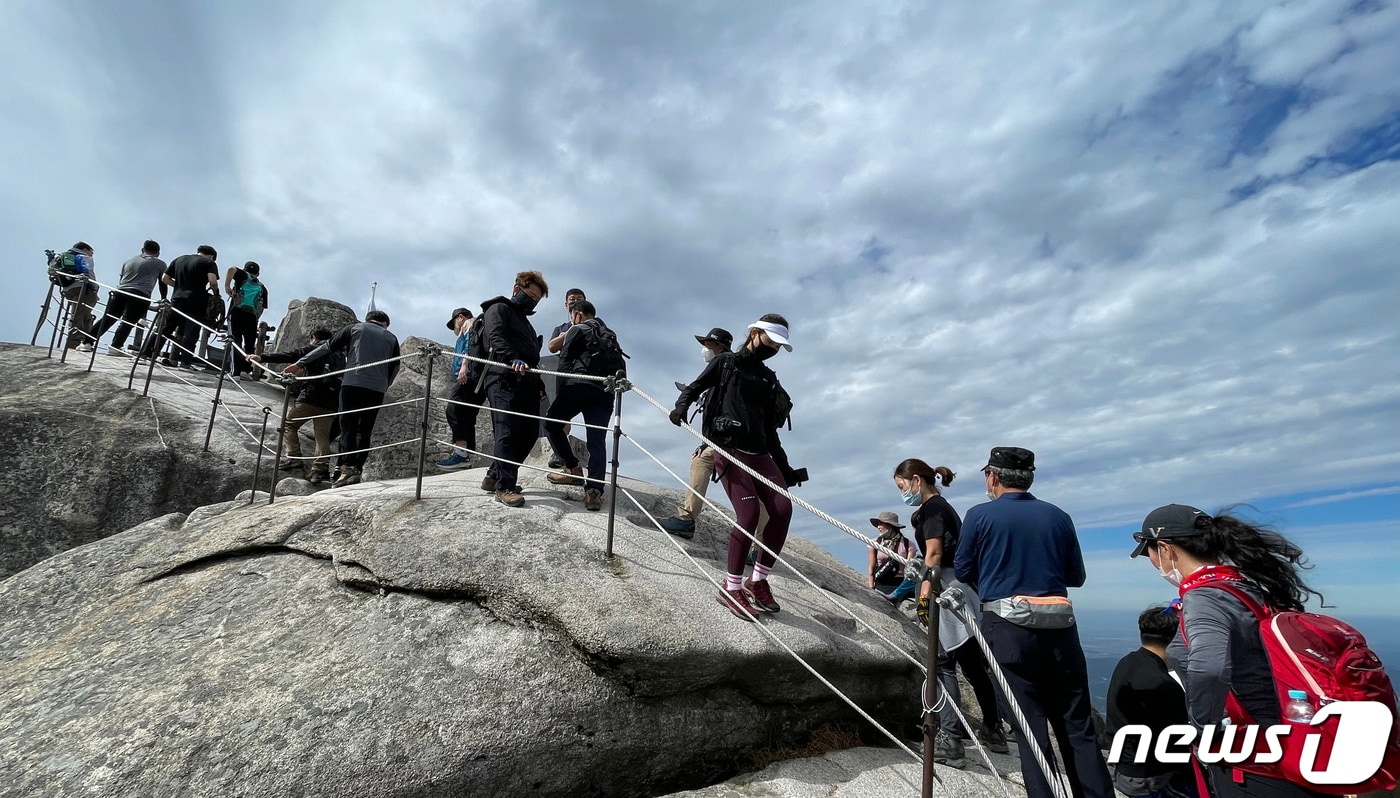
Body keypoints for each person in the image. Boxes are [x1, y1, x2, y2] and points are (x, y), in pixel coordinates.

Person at [1131, 505, 1330, 798]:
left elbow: (1209, 668)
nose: (1152, 561)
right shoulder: (1244, 585)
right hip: (1287, 737)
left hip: (1250, 755)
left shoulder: (1204, 596)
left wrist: (1201, 731)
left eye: (1150, 552)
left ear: (1165, 548)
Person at [955, 447, 1112, 798]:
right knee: (1078, 727)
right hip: (1061, 631)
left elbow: (964, 570)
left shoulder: (979, 516)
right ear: (1030, 478)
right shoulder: (1059, 516)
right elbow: (1077, 576)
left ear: (992, 476)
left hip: (1007, 630)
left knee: (1030, 731)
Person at [670, 314, 804, 621]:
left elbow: (770, 430)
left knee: (783, 510)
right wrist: (681, 407)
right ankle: (731, 588)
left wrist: (785, 468)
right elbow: (694, 387)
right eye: (772, 342)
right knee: (749, 515)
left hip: (760, 451)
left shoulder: (768, 378)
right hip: (727, 447)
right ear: (755, 333)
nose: (774, 349)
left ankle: (757, 581)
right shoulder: (726, 363)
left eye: (780, 346)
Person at [895, 458, 1009, 766]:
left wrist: (923, 594)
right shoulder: (943, 507)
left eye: (903, 487)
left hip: (945, 587)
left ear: (917, 480)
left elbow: (934, 552)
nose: (903, 493)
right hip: (965, 589)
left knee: (942, 663)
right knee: (972, 664)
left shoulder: (931, 510)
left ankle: (950, 739)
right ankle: (993, 730)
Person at [284, 310, 400, 488]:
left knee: (348, 426)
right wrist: (384, 385)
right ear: (386, 324)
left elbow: (326, 347)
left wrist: (300, 364)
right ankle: (357, 469)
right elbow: (395, 367)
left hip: (352, 383)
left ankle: (346, 468)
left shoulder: (354, 328)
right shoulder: (392, 338)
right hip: (376, 389)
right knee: (365, 429)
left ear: (367, 320)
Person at [1105, 603, 1198, 798]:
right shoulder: (1162, 684)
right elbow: (1179, 740)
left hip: (1125, 769)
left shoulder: (1128, 662)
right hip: (1148, 779)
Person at [478, 271, 549, 508]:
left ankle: (494, 474)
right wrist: (511, 358)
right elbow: (495, 337)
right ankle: (505, 486)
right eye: (530, 295)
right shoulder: (498, 308)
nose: (532, 301)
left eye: (536, 299)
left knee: (529, 433)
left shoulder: (526, 323)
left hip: (527, 381)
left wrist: (539, 384)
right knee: (506, 430)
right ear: (517, 289)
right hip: (503, 378)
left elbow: (534, 358)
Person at [659, 327, 737, 539]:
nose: (704, 350)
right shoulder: (729, 371)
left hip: (730, 441)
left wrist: (681, 406)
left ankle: (685, 520)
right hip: (728, 440)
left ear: (718, 346)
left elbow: (695, 386)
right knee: (746, 489)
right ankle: (757, 545)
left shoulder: (723, 362)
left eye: (707, 345)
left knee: (703, 463)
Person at [542, 300, 619, 511]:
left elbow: (564, 363)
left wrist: (559, 397)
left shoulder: (577, 329)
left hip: (579, 386)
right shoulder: (609, 333)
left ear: (577, 315)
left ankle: (573, 469)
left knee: (551, 424)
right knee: (597, 441)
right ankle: (593, 492)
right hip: (605, 392)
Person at [250, 327, 344, 485]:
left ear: (314, 338)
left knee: (289, 424)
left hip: (309, 397)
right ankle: (319, 470)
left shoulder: (314, 349)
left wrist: (262, 357)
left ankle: (294, 457)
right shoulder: (340, 355)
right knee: (323, 436)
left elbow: (290, 356)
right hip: (331, 402)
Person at [143, 245, 219, 372]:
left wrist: (178, 286)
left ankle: (147, 353)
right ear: (211, 256)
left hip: (177, 299)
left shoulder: (179, 259)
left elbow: (164, 278)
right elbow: (213, 281)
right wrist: (216, 292)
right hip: (197, 301)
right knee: (191, 333)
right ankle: (185, 363)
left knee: (165, 328)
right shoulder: (209, 263)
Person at [93, 240, 166, 354]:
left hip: (120, 291)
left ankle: (87, 342)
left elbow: (122, 278)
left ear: (142, 250)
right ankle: (115, 347)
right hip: (140, 294)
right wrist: (164, 298)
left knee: (108, 318)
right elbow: (163, 283)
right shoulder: (160, 264)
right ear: (158, 253)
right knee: (127, 322)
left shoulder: (128, 260)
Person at [436, 307, 481, 471]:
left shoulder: (470, 323)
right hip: (474, 376)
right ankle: (464, 453)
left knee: (454, 409)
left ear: (460, 317)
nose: (454, 328)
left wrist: (464, 365)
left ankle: (461, 454)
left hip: (469, 376)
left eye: (454, 322)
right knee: (467, 414)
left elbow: (471, 345)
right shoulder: (472, 325)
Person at [226, 261, 269, 379]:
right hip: (252, 317)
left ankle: (234, 373)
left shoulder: (243, 276)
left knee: (235, 342)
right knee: (249, 345)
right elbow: (262, 307)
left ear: (245, 270)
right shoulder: (262, 288)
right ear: (258, 274)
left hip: (236, 313)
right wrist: (255, 318)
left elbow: (231, 268)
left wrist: (227, 286)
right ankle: (245, 371)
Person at [57, 242, 99, 352]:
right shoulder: (83, 256)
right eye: (91, 252)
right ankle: (77, 342)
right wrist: (94, 288)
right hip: (82, 288)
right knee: (80, 315)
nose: (91, 255)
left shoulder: (67, 257)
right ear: (85, 249)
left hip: (69, 289)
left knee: (79, 313)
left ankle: (80, 341)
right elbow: (88, 272)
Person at [866, 511, 916, 597]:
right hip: (882, 582)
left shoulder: (908, 545)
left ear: (891, 526)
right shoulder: (874, 543)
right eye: (878, 524)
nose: (878, 527)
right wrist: (871, 587)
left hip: (900, 583)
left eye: (881, 524)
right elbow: (871, 568)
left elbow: (909, 570)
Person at [545, 287, 586, 353]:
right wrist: (569, 332)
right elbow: (552, 347)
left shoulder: (595, 322)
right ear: (566, 305)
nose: (576, 301)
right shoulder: (560, 328)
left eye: (579, 299)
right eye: (572, 299)